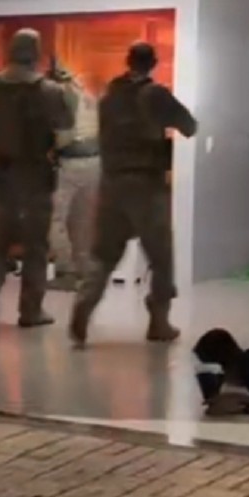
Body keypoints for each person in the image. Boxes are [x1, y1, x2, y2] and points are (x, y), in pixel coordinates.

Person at [69, 42, 196, 347]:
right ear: (153, 63)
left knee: (103, 255)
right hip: (146, 186)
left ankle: (84, 304)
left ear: (127, 61)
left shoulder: (109, 97)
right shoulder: (155, 95)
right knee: (161, 257)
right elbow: (189, 126)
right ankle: (159, 322)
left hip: (111, 184)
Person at [0, 29, 74, 327]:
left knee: (1, 242)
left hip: (0, 173)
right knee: (36, 247)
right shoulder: (49, 91)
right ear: (36, 53)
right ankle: (31, 310)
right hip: (34, 175)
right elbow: (65, 133)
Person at [45, 61, 101, 292]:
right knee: (82, 220)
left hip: (72, 162)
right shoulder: (86, 95)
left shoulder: (62, 96)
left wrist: (50, 150)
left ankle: (66, 272)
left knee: (54, 219)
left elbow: (65, 137)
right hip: (95, 161)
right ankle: (85, 271)